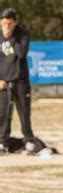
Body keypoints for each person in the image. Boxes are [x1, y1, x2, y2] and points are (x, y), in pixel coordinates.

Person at [0, 7, 35, 155]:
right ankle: (3, 141)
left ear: (15, 23)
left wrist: (11, 37)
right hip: (3, 81)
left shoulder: (22, 34)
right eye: (4, 23)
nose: (6, 26)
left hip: (21, 81)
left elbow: (22, 53)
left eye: (9, 23)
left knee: (24, 112)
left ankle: (28, 140)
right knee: (3, 113)